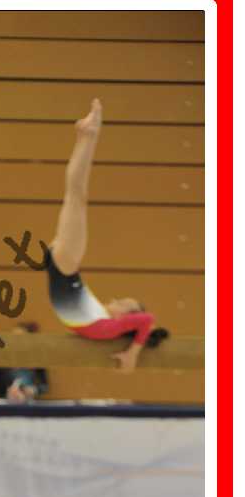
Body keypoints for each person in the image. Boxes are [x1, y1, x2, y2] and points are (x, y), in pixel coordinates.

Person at [46, 98, 168, 373]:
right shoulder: (105, 325)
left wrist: (133, 353)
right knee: (75, 195)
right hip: (65, 268)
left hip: (64, 269)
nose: (116, 300)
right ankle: (87, 136)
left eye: (124, 304)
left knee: (76, 195)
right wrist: (134, 352)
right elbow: (146, 321)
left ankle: (89, 135)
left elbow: (146, 320)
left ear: (127, 319)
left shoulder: (109, 327)